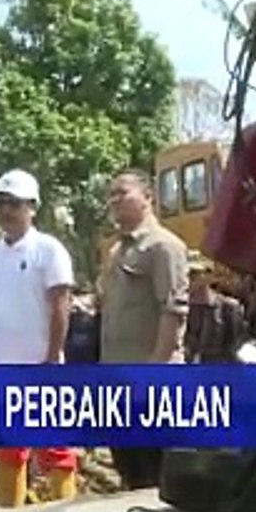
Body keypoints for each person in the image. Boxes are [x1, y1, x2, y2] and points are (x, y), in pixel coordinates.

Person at [0, 169, 78, 508]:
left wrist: (52, 357)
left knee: (55, 450)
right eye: (0, 204)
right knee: (9, 451)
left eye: (14, 204)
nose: (6, 211)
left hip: (40, 366)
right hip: (0, 368)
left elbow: (61, 306)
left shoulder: (49, 250)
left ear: (32, 207)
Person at [99, 170, 190, 490]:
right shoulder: (116, 251)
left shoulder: (164, 246)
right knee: (130, 472)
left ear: (148, 197)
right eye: (111, 194)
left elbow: (173, 310)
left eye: (122, 193)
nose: (115, 200)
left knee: (157, 476)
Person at [184, 253, 247, 364]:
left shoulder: (229, 308)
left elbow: (235, 344)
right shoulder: (174, 306)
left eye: (196, 273)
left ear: (209, 275)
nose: (191, 278)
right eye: (188, 273)